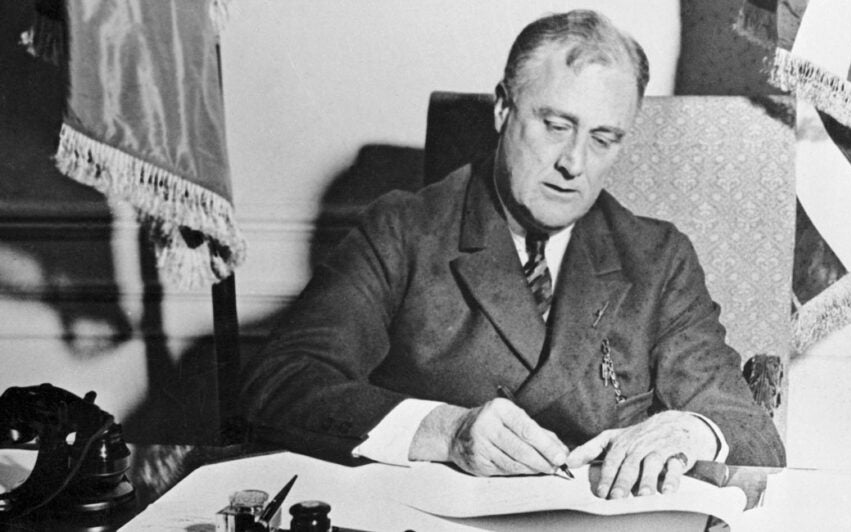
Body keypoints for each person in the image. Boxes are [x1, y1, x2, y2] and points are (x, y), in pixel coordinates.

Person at [241, 9, 785, 500]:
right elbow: (282, 384)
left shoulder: (657, 257)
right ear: (503, 108)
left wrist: (688, 431)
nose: (574, 163)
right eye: (556, 126)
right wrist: (446, 431)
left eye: (604, 138)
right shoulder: (405, 230)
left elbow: (749, 429)